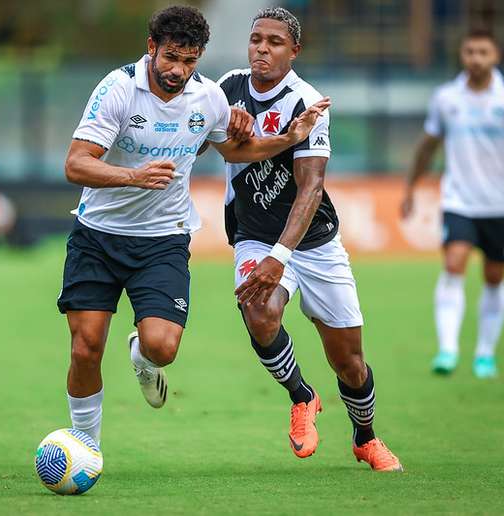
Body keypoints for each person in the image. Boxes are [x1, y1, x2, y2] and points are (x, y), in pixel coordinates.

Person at [58, 5, 329, 446]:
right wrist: (134, 176)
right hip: (99, 236)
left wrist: (287, 139)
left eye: (189, 61)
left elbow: (233, 150)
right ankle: (86, 444)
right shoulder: (117, 88)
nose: (178, 70)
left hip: (163, 240)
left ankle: (142, 358)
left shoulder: (208, 97)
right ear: (152, 49)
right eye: (171, 58)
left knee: (162, 347)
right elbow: (75, 164)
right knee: (86, 347)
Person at [215, 7, 401, 471]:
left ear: (294, 51)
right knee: (259, 311)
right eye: (256, 38)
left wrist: (282, 256)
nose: (262, 47)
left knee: (350, 362)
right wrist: (226, 126)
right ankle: (302, 396)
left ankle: (365, 438)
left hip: (313, 243)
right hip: (254, 233)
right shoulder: (226, 89)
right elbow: (199, 141)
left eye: (275, 41)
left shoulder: (307, 102)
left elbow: (311, 187)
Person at [402, 29, 504, 378]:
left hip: (500, 204)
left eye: (483, 52)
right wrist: (410, 186)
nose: (476, 58)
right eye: (469, 51)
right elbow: (428, 146)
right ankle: (448, 350)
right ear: (462, 55)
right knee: (453, 263)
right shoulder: (447, 98)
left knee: (494, 275)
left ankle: (484, 353)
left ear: (496, 56)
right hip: (459, 200)